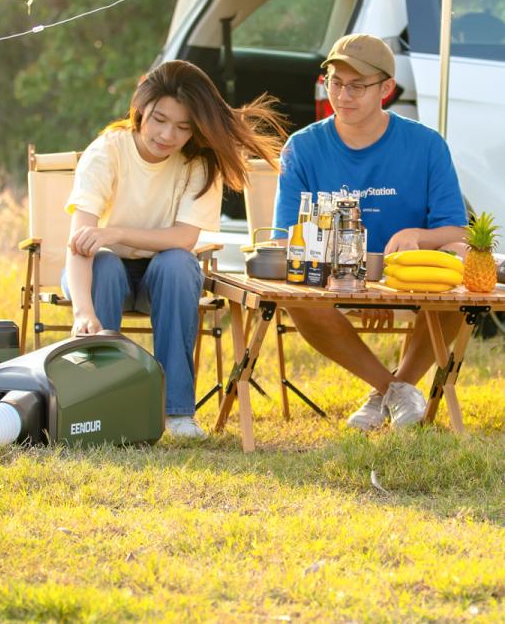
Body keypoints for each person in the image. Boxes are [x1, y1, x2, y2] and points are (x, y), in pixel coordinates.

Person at [63, 60, 287, 439]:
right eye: (159, 119)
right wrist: (83, 311)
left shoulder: (199, 162)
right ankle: (101, 407)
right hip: (98, 274)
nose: (168, 135)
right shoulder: (107, 152)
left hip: (161, 279)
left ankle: (177, 413)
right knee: (106, 263)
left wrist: (115, 230)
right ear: (140, 109)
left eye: (184, 127)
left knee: (180, 264)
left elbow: (184, 238)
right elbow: (81, 243)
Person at [272, 33, 468, 430]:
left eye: (357, 86)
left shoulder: (426, 145)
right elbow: (285, 239)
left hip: (412, 278)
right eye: (335, 82)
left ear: (386, 89)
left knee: (460, 285)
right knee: (296, 297)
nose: (343, 95)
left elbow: (457, 233)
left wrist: (417, 235)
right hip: (330, 281)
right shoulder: (302, 147)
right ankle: (394, 391)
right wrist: (351, 280)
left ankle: (388, 394)